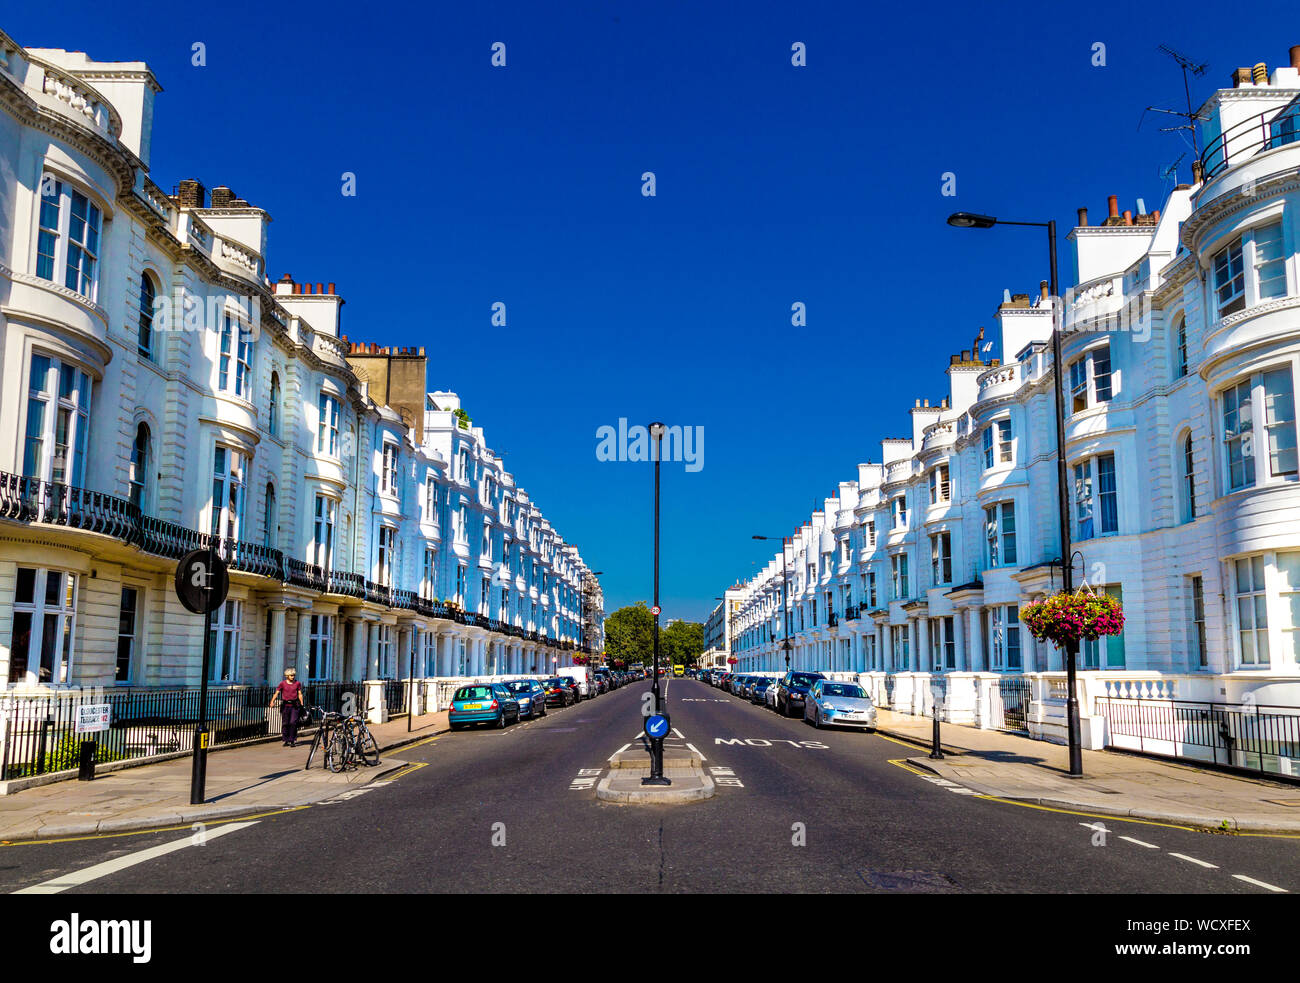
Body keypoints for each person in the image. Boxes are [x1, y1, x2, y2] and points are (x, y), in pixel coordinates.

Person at [270, 668, 305, 747]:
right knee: (285, 723)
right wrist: (272, 701)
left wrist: (302, 703)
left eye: (294, 675)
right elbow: (276, 693)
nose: (293, 677)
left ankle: (292, 740)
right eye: (291, 675)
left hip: (295, 706)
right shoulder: (282, 684)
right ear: (287, 676)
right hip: (285, 705)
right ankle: (285, 739)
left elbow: (299, 694)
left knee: (293, 722)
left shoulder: (297, 683)